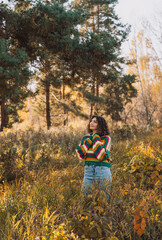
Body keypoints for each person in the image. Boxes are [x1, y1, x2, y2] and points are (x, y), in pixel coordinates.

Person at [76, 115, 112, 198]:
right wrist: (91, 139)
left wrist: (95, 137)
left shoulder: (106, 139)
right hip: (88, 170)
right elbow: (80, 154)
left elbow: (101, 156)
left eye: (95, 122)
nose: (91, 123)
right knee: (85, 196)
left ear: (100, 125)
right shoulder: (85, 138)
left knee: (103, 198)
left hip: (102, 169)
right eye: (91, 121)